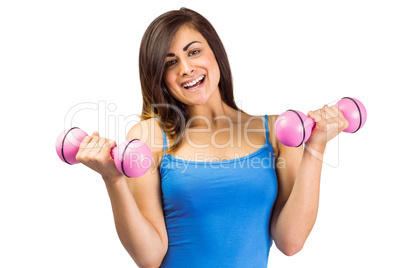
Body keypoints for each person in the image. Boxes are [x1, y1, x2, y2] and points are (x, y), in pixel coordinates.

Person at [75, 7, 349, 268]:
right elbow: (149, 257)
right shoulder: (149, 138)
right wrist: (113, 180)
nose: (185, 68)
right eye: (170, 63)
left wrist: (316, 145)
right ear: (160, 77)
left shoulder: (277, 132)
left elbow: (291, 241)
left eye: (193, 52)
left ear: (215, 54)